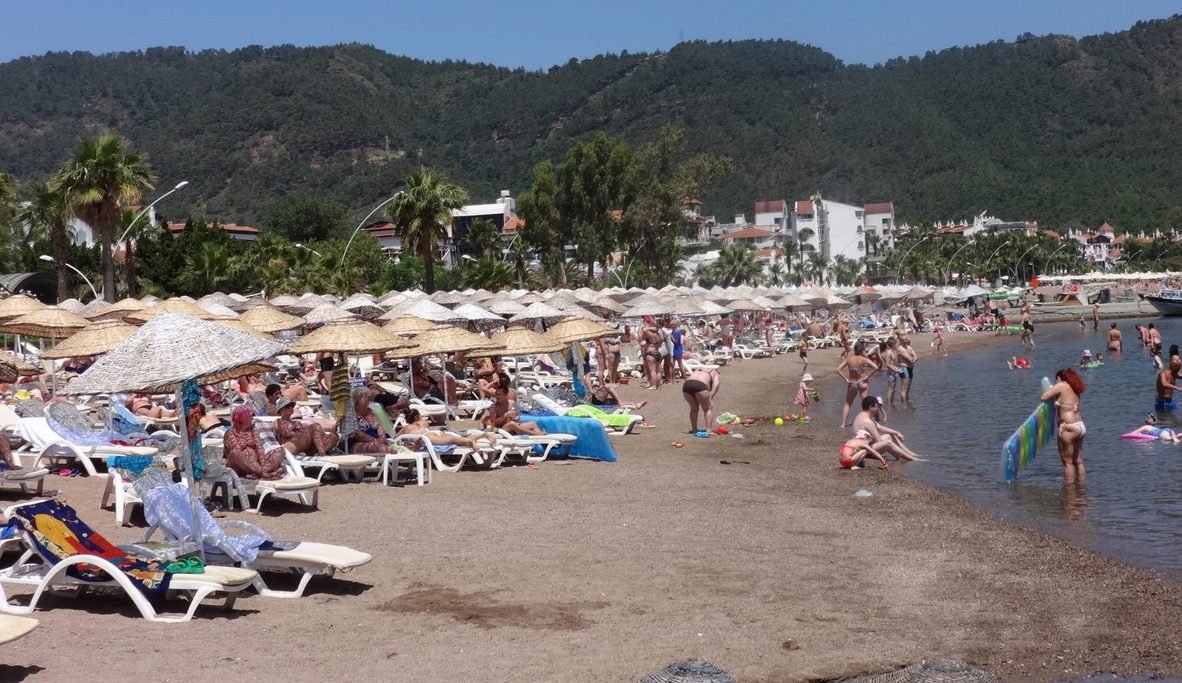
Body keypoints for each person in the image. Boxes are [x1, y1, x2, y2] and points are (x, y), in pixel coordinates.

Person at [1041, 368, 1086, 481]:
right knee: (1079, 461)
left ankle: (1069, 493)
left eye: (1056, 380)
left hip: (1067, 427)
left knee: (1067, 463)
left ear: (1059, 378)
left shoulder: (1062, 385)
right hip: (1080, 426)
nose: (1055, 383)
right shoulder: (1075, 388)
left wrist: (1053, 393)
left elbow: (1043, 397)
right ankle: (1081, 490)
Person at [223, 405, 286, 480]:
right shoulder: (230, 433)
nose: (252, 418)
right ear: (243, 419)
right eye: (250, 416)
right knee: (235, 453)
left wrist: (261, 466)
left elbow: (260, 450)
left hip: (257, 465)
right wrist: (257, 467)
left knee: (280, 450)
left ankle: (263, 472)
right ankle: (264, 474)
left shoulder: (253, 429)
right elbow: (238, 451)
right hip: (239, 467)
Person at [851, 396, 924, 461]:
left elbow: (880, 428)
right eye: (876, 407)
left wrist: (896, 432)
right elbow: (879, 440)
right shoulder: (867, 421)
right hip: (863, 451)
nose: (878, 409)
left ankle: (910, 454)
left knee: (890, 435)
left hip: (863, 446)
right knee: (888, 443)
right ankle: (911, 458)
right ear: (871, 407)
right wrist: (893, 450)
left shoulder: (862, 415)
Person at [273, 398, 339, 456]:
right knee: (315, 426)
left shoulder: (296, 422)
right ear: (280, 409)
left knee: (334, 436)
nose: (290, 408)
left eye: (292, 406)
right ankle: (322, 453)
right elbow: (285, 433)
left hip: (304, 445)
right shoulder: (278, 421)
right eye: (287, 406)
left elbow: (304, 435)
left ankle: (319, 452)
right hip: (291, 445)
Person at [836, 342, 879, 428]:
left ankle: (843, 424)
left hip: (852, 383)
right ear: (862, 350)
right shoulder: (863, 359)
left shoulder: (849, 359)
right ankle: (868, 422)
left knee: (848, 403)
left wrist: (846, 379)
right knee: (865, 404)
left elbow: (838, 369)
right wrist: (867, 376)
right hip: (863, 382)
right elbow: (876, 367)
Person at [482, 384, 546, 436]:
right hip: (501, 429)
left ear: (506, 395)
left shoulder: (511, 403)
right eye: (496, 394)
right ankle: (537, 434)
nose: (496, 396)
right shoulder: (493, 407)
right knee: (511, 424)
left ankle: (542, 443)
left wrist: (517, 417)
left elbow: (517, 415)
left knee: (533, 424)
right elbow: (493, 423)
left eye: (499, 395)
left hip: (514, 427)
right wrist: (505, 416)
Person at [682, 367, 720, 434]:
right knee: (708, 409)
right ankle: (709, 430)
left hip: (687, 385)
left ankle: (694, 430)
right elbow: (716, 385)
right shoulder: (715, 373)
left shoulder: (698, 369)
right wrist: (710, 397)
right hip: (700, 385)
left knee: (694, 409)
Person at [880, 339, 903, 406]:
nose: (897, 345)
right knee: (891, 388)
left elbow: (892, 363)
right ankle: (889, 404)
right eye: (896, 344)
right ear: (893, 345)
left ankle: (891, 403)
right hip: (891, 373)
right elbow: (887, 364)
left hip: (893, 372)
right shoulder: (889, 352)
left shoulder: (892, 351)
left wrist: (897, 368)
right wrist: (896, 370)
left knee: (893, 388)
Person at [897, 336, 917, 403]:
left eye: (906, 339)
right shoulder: (900, 349)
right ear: (900, 341)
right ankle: (904, 403)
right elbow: (908, 358)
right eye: (903, 340)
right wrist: (913, 360)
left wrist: (914, 359)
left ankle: (907, 401)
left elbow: (915, 356)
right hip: (904, 368)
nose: (905, 341)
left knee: (908, 387)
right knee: (904, 388)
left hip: (910, 368)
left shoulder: (909, 347)